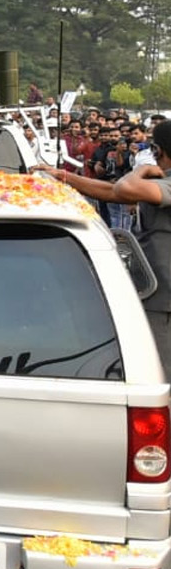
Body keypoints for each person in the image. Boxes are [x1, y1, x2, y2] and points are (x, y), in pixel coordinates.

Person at [41, 119, 171, 378]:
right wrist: (65, 177)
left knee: (160, 370)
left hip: (165, 299)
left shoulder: (163, 183)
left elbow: (126, 187)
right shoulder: (162, 181)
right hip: (156, 289)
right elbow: (114, 192)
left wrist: (140, 170)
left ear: (157, 150)